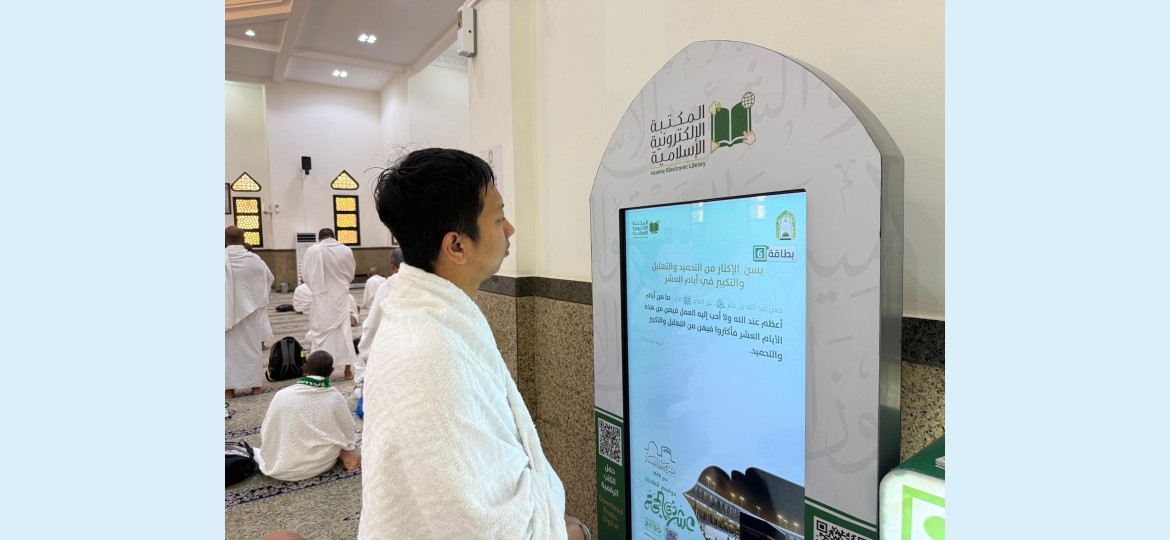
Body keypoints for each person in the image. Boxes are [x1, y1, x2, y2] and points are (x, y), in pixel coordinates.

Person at [358, 148, 588, 540]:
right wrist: (567, 532)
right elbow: (468, 523)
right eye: (498, 218)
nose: (510, 229)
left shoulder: (433, 315)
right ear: (457, 246)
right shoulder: (427, 354)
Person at [253, 350, 360, 482]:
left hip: (280, 465)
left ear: (304, 368)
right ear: (331, 371)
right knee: (338, 440)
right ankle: (344, 454)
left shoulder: (281, 395)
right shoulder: (335, 397)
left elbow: (267, 430)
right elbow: (348, 431)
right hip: (319, 464)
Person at [302, 228, 358, 379]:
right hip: (340, 298)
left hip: (321, 300)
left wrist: (317, 287)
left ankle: (319, 371)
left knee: (321, 335)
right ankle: (347, 371)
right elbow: (350, 274)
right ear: (335, 236)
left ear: (320, 238)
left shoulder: (313, 250)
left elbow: (306, 276)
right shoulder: (346, 250)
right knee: (344, 333)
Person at [225, 226, 273, 400]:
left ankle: (229, 390)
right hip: (251, 311)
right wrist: (257, 299)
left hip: (226, 313)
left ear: (225, 240)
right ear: (243, 239)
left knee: (228, 352)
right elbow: (269, 278)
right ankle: (256, 387)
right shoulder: (255, 260)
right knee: (252, 349)